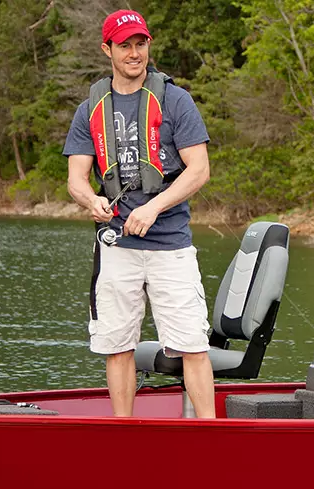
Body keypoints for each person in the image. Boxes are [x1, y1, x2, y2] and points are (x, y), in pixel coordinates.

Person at [63, 10, 214, 417]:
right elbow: (76, 178)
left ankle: (210, 436)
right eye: (125, 45)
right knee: (117, 345)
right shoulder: (89, 109)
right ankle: (123, 433)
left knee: (193, 346)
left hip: (171, 245)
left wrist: (153, 207)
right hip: (117, 246)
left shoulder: (175, 99)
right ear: (107, 50)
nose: (134, 53)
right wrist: (89, 201)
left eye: (140, 44)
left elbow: (199, 169)